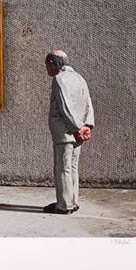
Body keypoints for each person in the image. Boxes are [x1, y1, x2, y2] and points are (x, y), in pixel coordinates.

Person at [44, 50, 95, 215]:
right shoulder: (80, 78)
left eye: (47, 65)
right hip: (78, 133)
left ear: (53, 64)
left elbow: (65, 108)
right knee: (73, 167)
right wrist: (87, 126)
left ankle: (64, 205)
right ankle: (73, 201)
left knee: (62, 168)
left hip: (65, 132)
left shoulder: (59, 80)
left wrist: (77, 128)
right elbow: (88, 105)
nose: (46, 69)